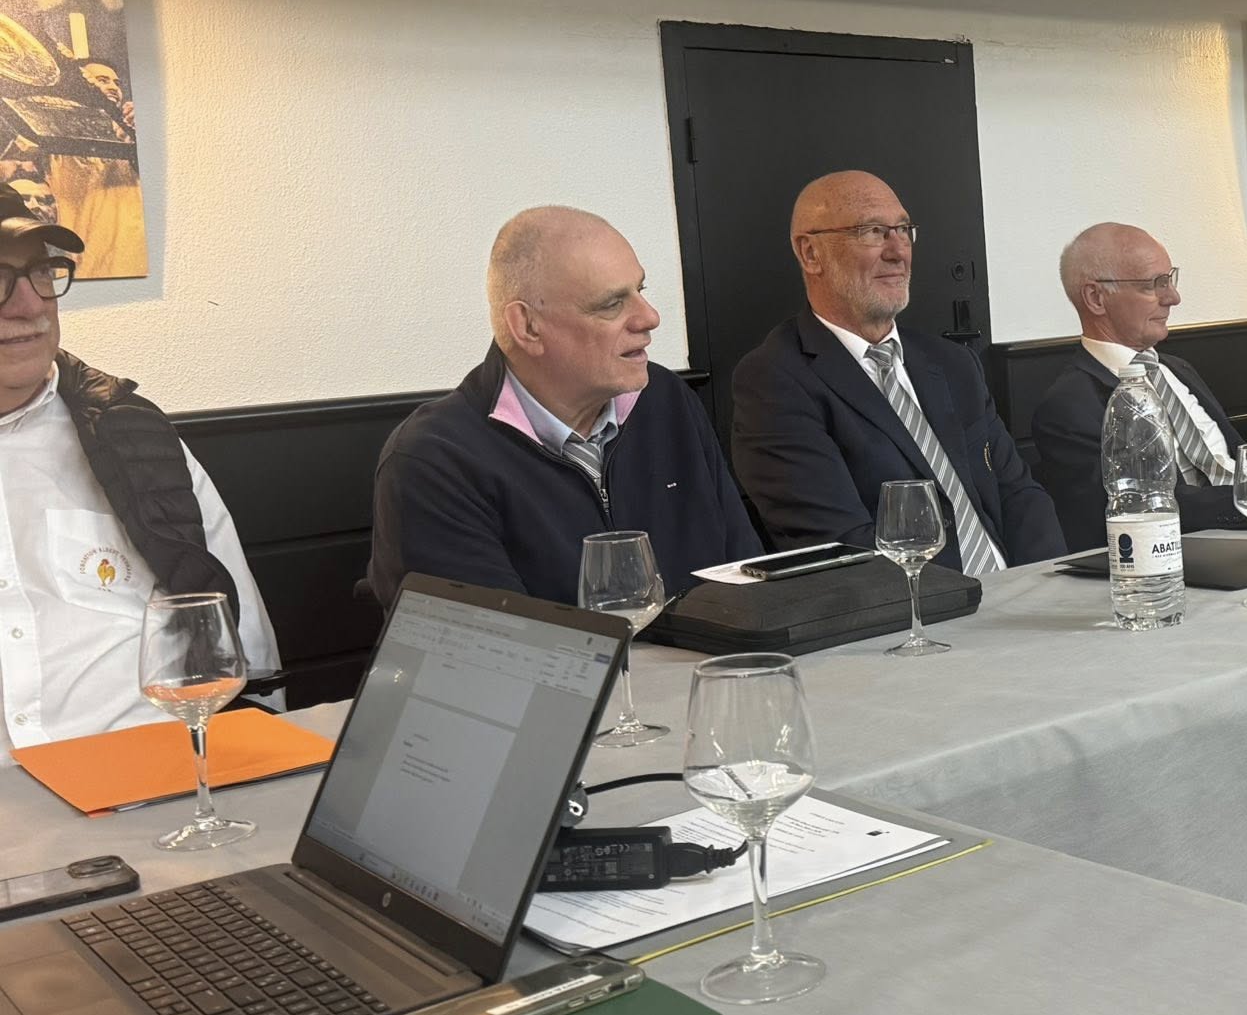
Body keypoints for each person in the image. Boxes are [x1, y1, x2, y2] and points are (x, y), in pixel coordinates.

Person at [368, 205, 758, 606]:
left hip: (711, 649)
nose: (650, 317)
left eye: (640, 291)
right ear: (528, 327)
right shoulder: (434, 460)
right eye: (611, 304)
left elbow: (749, 581)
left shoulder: (666, 399)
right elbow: (492, 641)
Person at [0, 196, 277, 760]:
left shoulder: (133, 436)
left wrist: (255, 772)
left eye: (41, 272)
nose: (29, 304)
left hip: (155, 773)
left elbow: (241, 643)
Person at [729, 171, 1063, 574]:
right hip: (921, 607)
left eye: (903, 230)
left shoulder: (951, 362)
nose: (898, 251)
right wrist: (979, 601)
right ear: (811, 253)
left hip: (1022, 594)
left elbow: (1019, 494)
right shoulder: (775, 382)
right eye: (872, 231)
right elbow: (841, 545)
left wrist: (1045, 586)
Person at [1031, 223, 1247, 549]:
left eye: (1170, 280)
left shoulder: (1176, 369)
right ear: (1096, 298)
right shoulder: (1069, 405)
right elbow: (1134, 508)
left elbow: (1238, 462)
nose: (1173, 297)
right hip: (1190, 553)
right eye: (1154, 284)